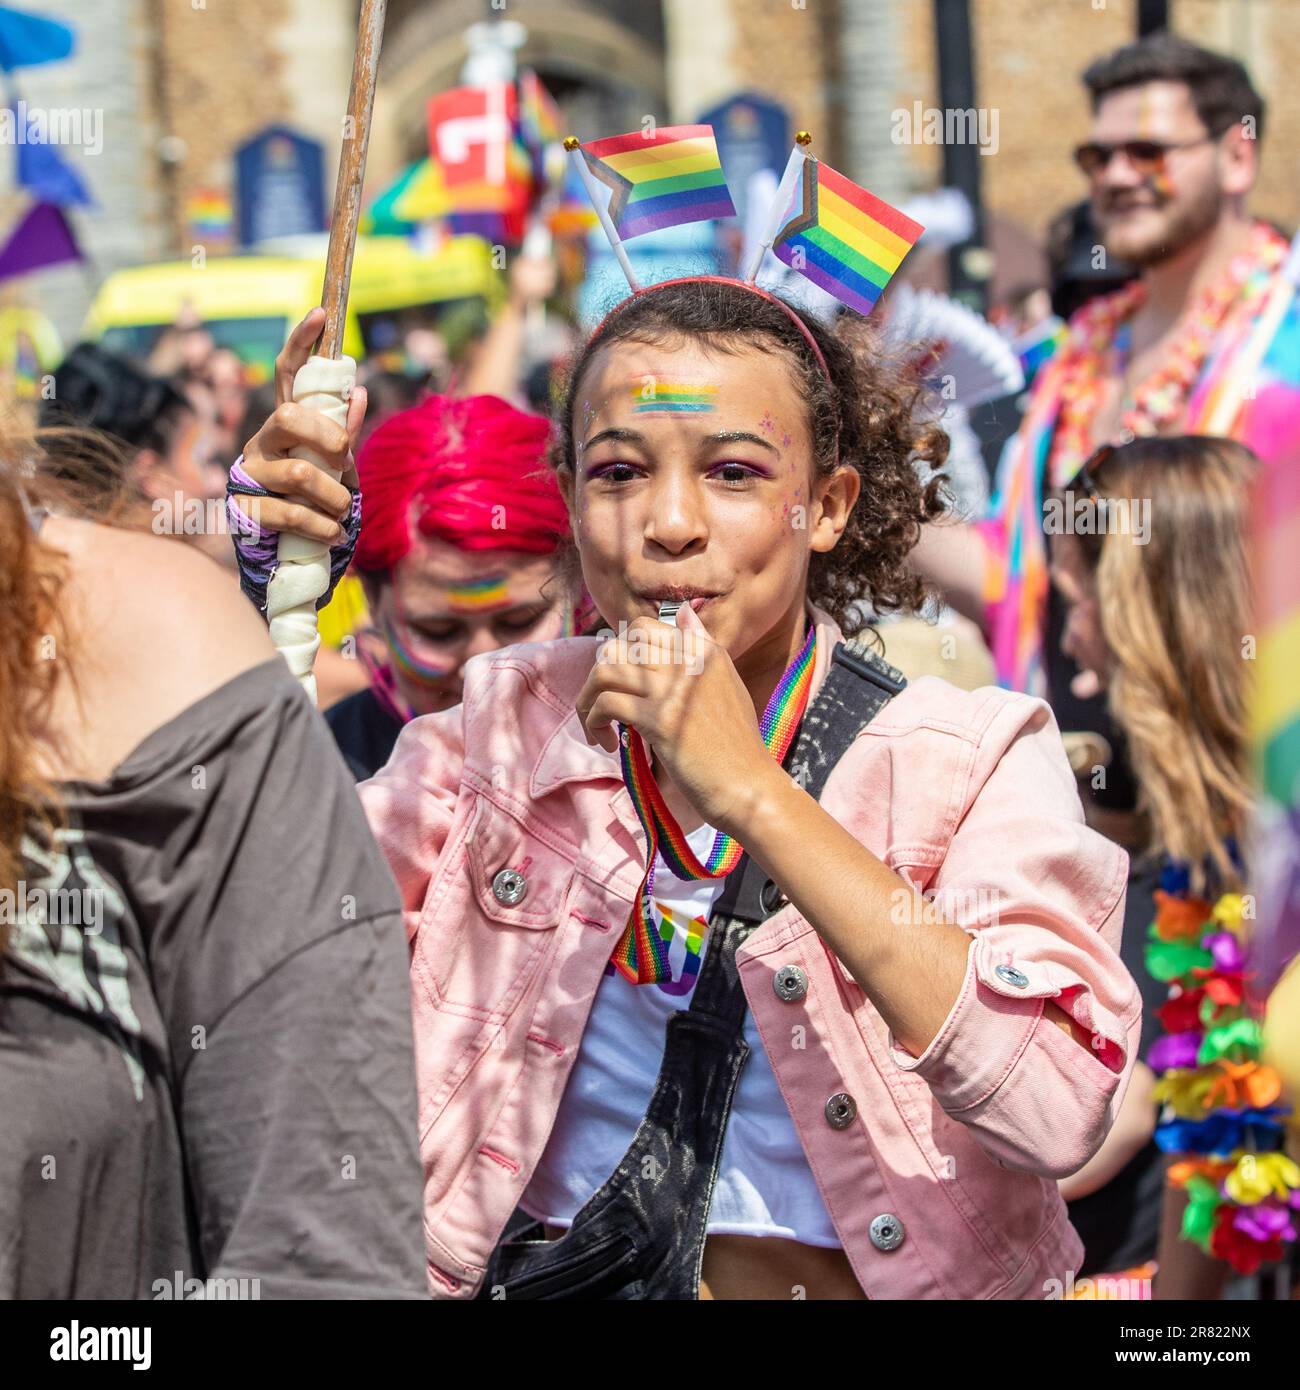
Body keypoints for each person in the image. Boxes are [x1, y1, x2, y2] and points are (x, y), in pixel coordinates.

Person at [240, 276, 1140, 1301]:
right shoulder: (497, 736)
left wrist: (755, 793)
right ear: (574, 502)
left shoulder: (969, 754)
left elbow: (1057, 1106)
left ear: (827, 507)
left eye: (734, 472)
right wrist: (268, 575)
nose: (669, 523)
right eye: (619, 471)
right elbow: (259, 957)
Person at [0, 429, 428, 1298]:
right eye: (439, 626)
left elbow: (323, 1260)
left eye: (510, 617)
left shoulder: (155, 671)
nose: (470, 655)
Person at [914, 33, 1285, 702]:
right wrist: (858, 466)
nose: (1114, 176)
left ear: (1237, 156)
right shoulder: (1081, 352)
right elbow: (1014, 578)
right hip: (1075, 775)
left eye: (1148, 151)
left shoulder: (1284, 342)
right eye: (1098, 156)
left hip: (1243, 761)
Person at [1051, 435, 1299, 1297]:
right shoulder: (1204, 849)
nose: (1074, 658)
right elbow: (1216, 1133)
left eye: (1076, 602)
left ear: (1143, 612)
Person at [228, 311, 576, 780]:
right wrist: (273, 597)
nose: (483, 673)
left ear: (577, 581)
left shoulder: (641, 751)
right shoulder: (327, 769)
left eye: (518, 621)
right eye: (438, 630)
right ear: (373, 602)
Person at [39, 342, 230, 566]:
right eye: (205, 461)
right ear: (149, 474)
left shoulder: (55, 566)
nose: (220, 482)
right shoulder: (177, 586)